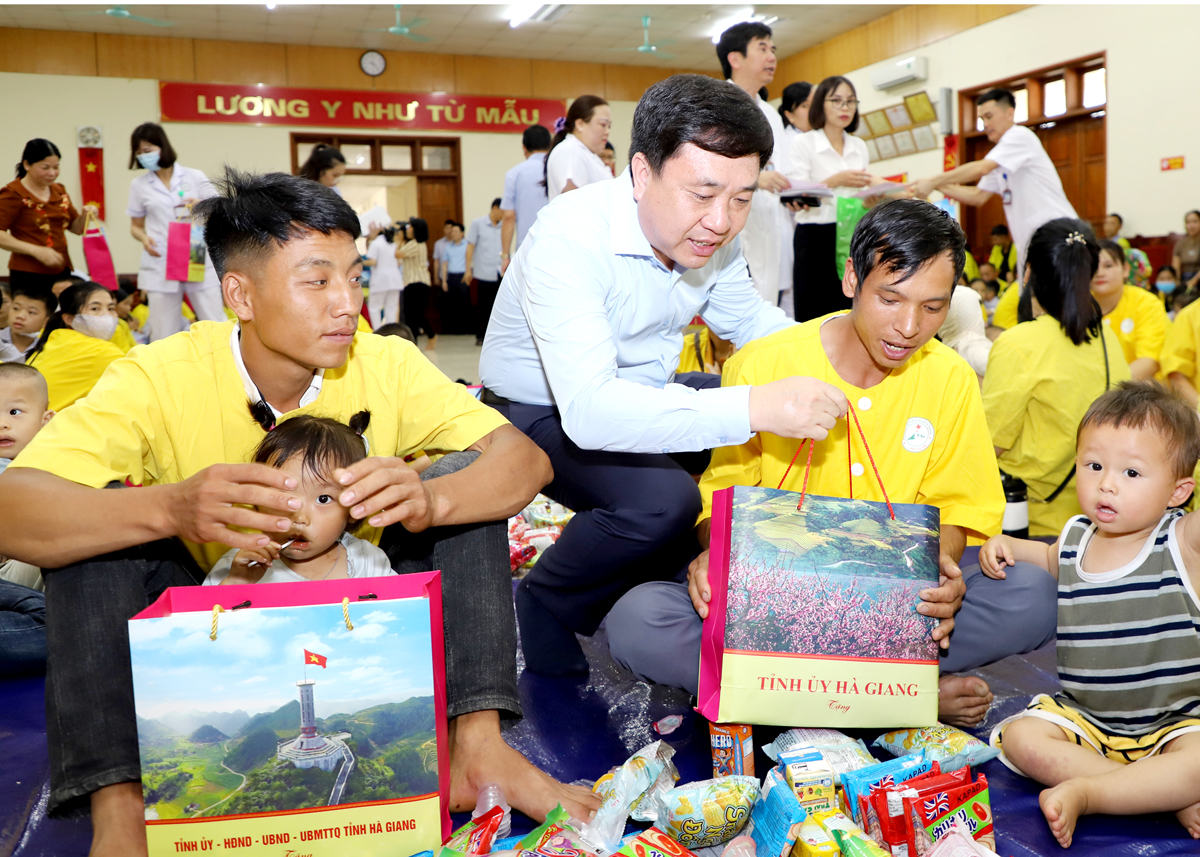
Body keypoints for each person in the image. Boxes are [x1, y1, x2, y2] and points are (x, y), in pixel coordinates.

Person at [0, 170, 597, 855]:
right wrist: (169, 507)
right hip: (210, 608)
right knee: (97, 520)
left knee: (466, 479)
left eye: (355, 273)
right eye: (317, 281)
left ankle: (480, 750)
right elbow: (12, 509)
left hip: (356, 589)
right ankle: (123, 808)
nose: (348, 303)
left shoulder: (387, 361)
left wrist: (431, 498)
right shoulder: (157, 375)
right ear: (240, 294)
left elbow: (526, 461)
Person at [480, 73, 865, 677]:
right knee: (666, 499)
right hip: (540, 407)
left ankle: (666, 571)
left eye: (742, 199)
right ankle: (547, 600)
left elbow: (756, 325)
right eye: (704, 194)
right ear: (640, 173)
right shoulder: (570, 236)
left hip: (642, 388)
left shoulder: (713, 240)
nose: (722, 221)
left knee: (749, 428)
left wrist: (848, 347)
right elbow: (593, 411)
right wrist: (755, 407)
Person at [608, 199, 1044, 726]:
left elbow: (959, 506)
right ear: (851, 278)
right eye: (890, 298)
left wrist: (941, 577)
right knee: (638, 617)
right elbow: (720, 495)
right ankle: (901, 697)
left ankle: (789, 693)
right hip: (775, 600)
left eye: (932, 308)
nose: (908, 326)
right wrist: (715, 556)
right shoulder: (763, 365)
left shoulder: (949, 378)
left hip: (897, 601)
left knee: (1033, 594)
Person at [982, 381, 1200, 847]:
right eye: (1094, 465)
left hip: (1176, 723)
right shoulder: (1076, 537)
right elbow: (1046, 559)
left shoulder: (1182, 542)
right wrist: (1007, 545)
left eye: (1132, 473)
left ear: (1178, 491)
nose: (1106, 482)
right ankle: (1156, 792)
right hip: (1088, 720)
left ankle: (1095, 793)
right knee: (1023, 739)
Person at [982, 219, 1131, 538]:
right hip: (1094, 518)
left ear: (1028, 271)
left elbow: (988, 444)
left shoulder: (1018, 343)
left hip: (1029, 523)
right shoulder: (1107, 338)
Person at [206, 411, 395, 584]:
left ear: (355, 505)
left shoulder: (367, 563)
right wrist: (236, 583)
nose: (300, 518)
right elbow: (203, 620)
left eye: (323, 499)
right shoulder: (240, 565)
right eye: (283, 497)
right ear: (257, 501)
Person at [911, 89, 1077, 280]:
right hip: (1030, 241)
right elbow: (977, 196)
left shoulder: (1019, 136)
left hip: (1057, 234)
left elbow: (981, 168)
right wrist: (934, 185)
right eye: (982, 119)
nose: (985, 125)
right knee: (1032, 303)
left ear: (1010, 113)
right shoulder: (1002, 155)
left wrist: (933, 181)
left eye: (989, 117)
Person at [786, 75, 880, 322]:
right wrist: (836, 180)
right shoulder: (803, 142)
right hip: (815, 236)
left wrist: (870, 200)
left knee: (850, 308)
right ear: (820, 104)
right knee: (814, 311)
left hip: (852, 234)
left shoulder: (859, 145)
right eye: (836, 101)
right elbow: (797, 191)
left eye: (850, 102)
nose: (845, 108)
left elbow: (860, 193)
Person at [127, 123, 226, 342]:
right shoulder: (139, 185)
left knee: (214, 320)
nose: (144, 156)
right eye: (139, 152)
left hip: (195, 254)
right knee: (163, 329)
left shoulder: (194, 176)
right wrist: (144, 238)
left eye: (148, 150)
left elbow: (221, 208)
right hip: (160, 257)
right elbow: (135, 226)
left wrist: (200, 204)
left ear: (162, 147)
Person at [719, 22, 794, 311]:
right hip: (730, 225)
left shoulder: (771, 114)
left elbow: (783, 171)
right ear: (735, 59)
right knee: (732, 310)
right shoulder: (719, 104)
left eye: (772, 49)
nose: (772, 56)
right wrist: (757, 179)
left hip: (768, 223)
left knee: (765, 308)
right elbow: (709, 164)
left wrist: (794, 194)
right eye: (762, 48)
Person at [0, 139, 97, 293]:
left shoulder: (59, 191)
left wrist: (86, 215)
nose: (52, 173)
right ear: (27, 165)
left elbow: (77, 228)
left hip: (62, 270)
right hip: (28, 273)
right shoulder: (13, 193)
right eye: (45, 168)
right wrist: (36, 251)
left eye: (56, 167)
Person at [26, 281, 124, 412]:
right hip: (53, 428)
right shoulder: (101, 351)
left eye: (111, 309)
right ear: (69, 319)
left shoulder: (56, 339)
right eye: (95, 309)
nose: (106, 316)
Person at [1091, 239, 1168, 381]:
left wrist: (1107, 393)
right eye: (1092, 266)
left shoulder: (1146, 303)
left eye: (1108, 266)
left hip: (1138, 392)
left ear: (1125, 269)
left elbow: (1149, 361)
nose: (1099, 273)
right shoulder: (1078, 306)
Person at [500, 124, 551, 272]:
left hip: (528, 248)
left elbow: (508, 216)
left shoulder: (514, 173)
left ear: (524, 148)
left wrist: (505, 256)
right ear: (550, 145)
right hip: (559, 246)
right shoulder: (560, 168)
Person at [544, 95, 612, 201]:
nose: (607, 131)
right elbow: (573, 204)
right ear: (580, 124)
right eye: (603, 124)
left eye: (609, 126)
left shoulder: (587, 154)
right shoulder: (569, 151)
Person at [467, 199, 504, 346]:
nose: (504, 215)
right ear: (495, 208)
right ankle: (481, 336)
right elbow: (470, 247)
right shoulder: (478, 223)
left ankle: (497, 337)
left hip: (500, 271)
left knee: (500, 306)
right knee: (484, 306)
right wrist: (467, 269)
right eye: (502, 211)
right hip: (483, 272)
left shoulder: (504, 226)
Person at [398, 218, 436, 350]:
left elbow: (397, 254)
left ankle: (425, 338)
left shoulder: (415, 244)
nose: (407, 229)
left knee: (413, 315)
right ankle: (419, 341)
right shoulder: (419, 244)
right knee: (414, 315)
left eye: (410, 227)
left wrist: (399, 240)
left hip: (416, 283)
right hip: (417, 283)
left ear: (416, 229)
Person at [363, 222, 403, 328]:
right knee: (392, 308)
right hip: (395, 280)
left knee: (374, 308)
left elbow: (373, 262)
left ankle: (377, 332)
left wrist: (359, 262)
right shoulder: (394, 243)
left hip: (380, 281)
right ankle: (391, 334)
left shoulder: (376, 243)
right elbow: (399, 262)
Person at [0, 283, 53, 363]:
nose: (20, 316)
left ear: (47, 321)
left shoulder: (51, 346)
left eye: (31, 312)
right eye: (16, 308)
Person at [439, 222, 470, 335]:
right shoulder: (448, 247)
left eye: (456, 232)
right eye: (452, 232)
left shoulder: (467, 245)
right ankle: (453, 329)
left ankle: (466, 329)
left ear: (462, 233)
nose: (453, 234)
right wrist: (444, 281)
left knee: (464, 303)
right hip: (451, 277)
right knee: (452, 304)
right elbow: (444, 264)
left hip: (463, 275)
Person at [1172, 210, 1200, 292]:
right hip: (1185, 279)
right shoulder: (1180, 243)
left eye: (1195, 221)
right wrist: (1177, 282)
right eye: (1188, 222)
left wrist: (1193, 282)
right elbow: (1176, 267)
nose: (1191, 226)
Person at [432, 219, 453, 288]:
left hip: (456, 275)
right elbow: (436, 261)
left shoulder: (458, 244)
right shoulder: (438, 244)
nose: (449, 231)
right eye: (447, 228)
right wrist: (436, 277)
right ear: (444, 229)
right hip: (443, 276)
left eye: (451, 228)